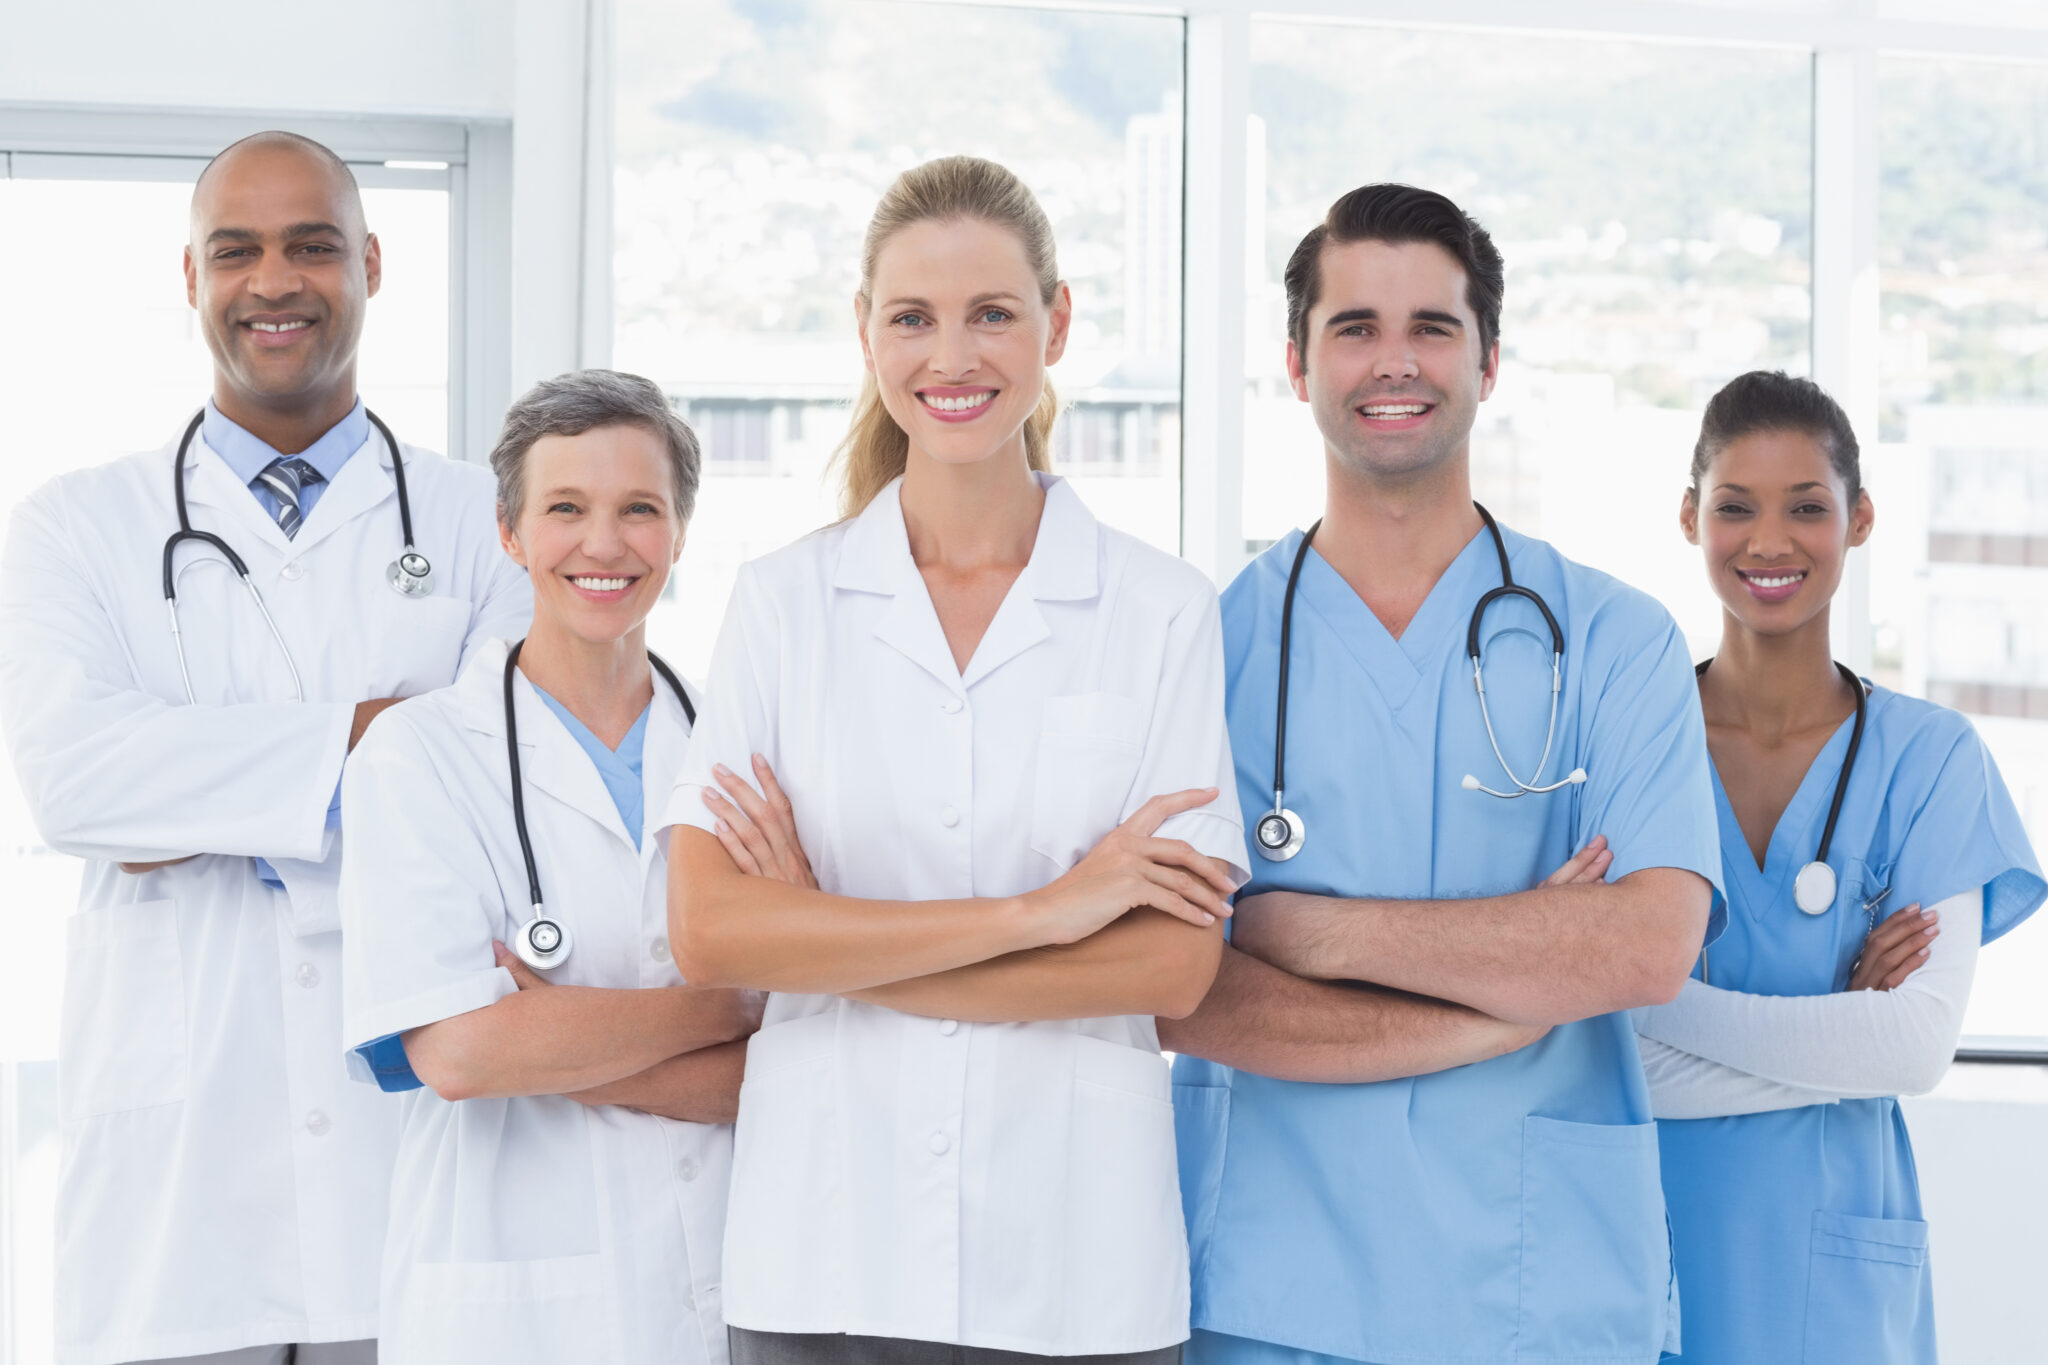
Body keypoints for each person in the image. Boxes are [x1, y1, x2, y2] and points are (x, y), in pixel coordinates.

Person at [662, 155, 1245, 1364]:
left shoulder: (1160, 610)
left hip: (1072, 1260)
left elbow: (1174, 965)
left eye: (991, 314)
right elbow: (710, 932)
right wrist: (1046, 914)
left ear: (1055, 324)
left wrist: (823, 934)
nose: (952, 356)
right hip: (824, 1248)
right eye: (911, 318)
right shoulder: (783, 603)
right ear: (864, 334)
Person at [1161, 183, 1723, 1365]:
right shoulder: (1202, 650)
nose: (1393, 361)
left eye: (1430, 326)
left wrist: (1296, 930)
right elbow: (1177, 989)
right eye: (1353, 327)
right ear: (1295, 363)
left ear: (1487, 361)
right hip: (1269, 1287)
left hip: (1537, 1293)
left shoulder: (1613, 639)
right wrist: (1507, 995)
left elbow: (1642, 949)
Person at [0, 131, 531, 1365]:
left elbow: (499, 781)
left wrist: (192, 792)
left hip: (411, 1160)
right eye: (235, 251)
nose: (274, 281)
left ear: (371, 264)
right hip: (178, 1194)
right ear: (191, 277)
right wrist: (379, 741)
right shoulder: (76, 525)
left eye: (312, 246)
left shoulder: (487, 521)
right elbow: (78, 785)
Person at [336, 369, 764, 1364]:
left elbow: (788, 1075)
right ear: (510, 532)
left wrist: (555, 1035)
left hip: (731, 1283)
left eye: (639, 509)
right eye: (565, 508)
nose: (604, 544)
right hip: (514, 1311)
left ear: (680, 532)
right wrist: (733, 1004)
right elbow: (460, 1056)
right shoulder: (418, 754)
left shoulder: (745, 750)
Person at [1634, 370, 2045, 1363]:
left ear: (1858, 519)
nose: (1769, 541)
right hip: (1645, 1251)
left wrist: (1644, 998)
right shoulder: (1630, 744)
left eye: (1807, 507)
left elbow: (1909, 1048)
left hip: (1833, 1284)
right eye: (1735, 506)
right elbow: (1587, 1043)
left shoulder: (1931, 759)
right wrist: (1834, 1036)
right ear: (1689, 517)